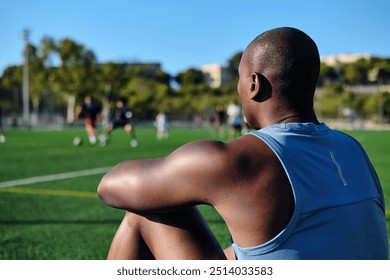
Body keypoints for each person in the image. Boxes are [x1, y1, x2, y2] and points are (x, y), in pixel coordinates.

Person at [97, 27, 388, 260]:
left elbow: (110, 186)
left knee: (147, 209)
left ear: (254, 84)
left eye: (238, 80)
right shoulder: (353, 150)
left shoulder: (243, 157)